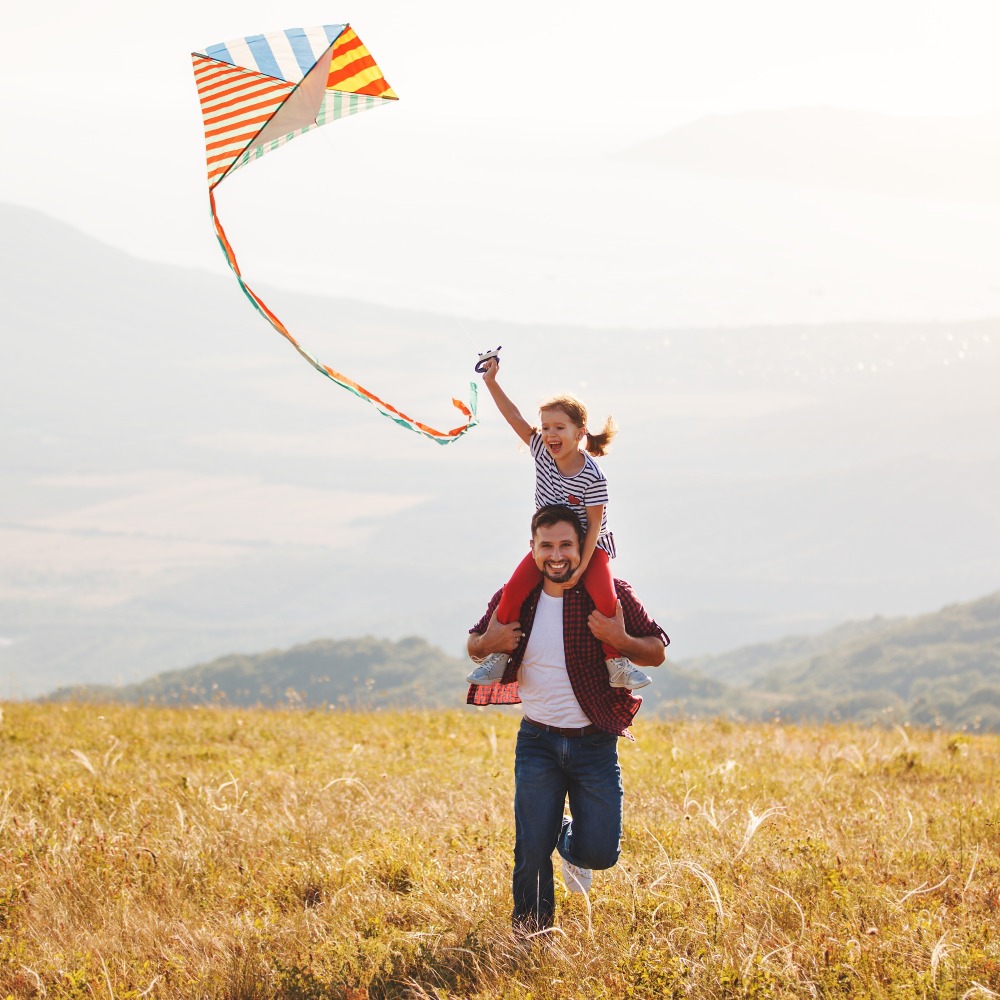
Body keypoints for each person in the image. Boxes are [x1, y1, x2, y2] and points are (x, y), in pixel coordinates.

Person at [466, 504, 669, 934]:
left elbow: (656, 650)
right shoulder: (516, 596)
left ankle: (569, 841)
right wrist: (490, 641)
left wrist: (620, 638)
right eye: (546, 546)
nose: (556, 555)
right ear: (533, 548)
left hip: (594, 743)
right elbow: (474, 644)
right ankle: (531, 937)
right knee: (530, 850)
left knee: (600, 852)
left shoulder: (610, 593)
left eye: (566, 546)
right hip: (537, 740)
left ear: (583, 548)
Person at [467, 358, 651, 690]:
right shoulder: (540, 449)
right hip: (549, 543)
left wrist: (581, 568)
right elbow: (513, 417)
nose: (550, 434)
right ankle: (499, 656)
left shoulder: (593, 476)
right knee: (513, 591)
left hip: (589, 546)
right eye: (546, 427)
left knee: (605, 598)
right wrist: (491, 382)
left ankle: (616, 661)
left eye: (559, 428)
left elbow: (595, 525)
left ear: (580, 433)